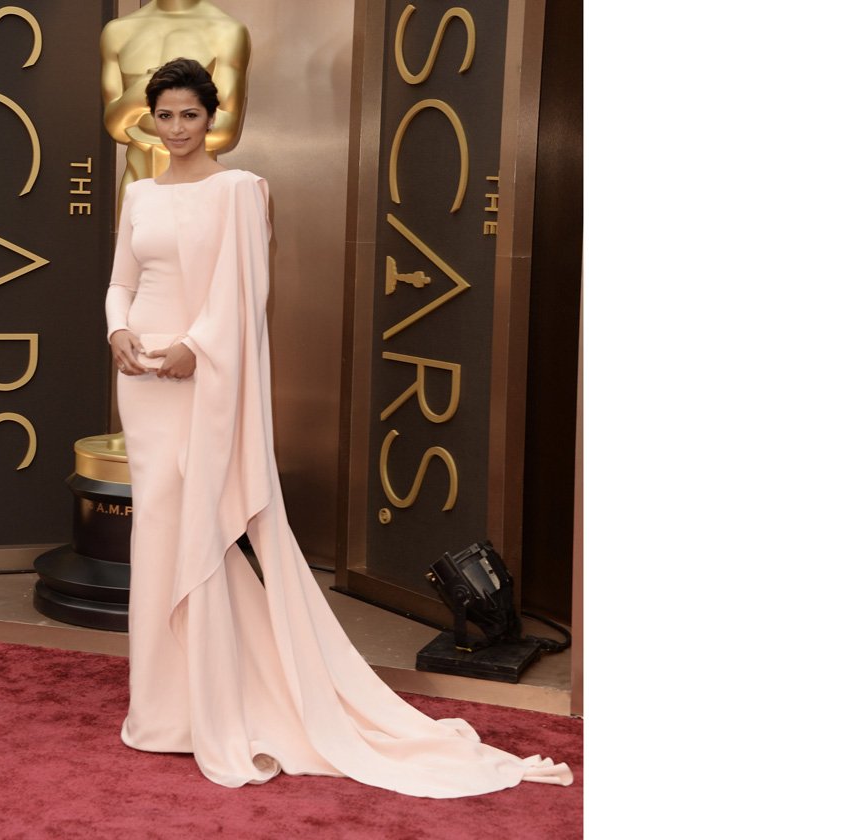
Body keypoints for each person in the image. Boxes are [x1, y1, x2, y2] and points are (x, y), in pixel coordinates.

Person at [105, 58, 573, 798]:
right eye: (165, 115)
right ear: (150, 120)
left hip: (203, 375)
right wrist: (117, 331)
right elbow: (122, 281)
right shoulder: (137, 194)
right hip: (143, 379)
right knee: (158, 531)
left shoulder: (239, 189)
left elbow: (245, 291)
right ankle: (164, 710)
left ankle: (217, 700)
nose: (177, 128)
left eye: (190, 114)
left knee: (198, 531)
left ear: (213, 118)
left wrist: (197, 345)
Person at [99, 0, 249, 209]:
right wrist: (139, 93)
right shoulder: (117, 31)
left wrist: (143, 106)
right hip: (136, 181)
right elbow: (115, 127)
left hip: (198, 188)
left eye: (189, 115)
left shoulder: (227, 31)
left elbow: (225, 128)